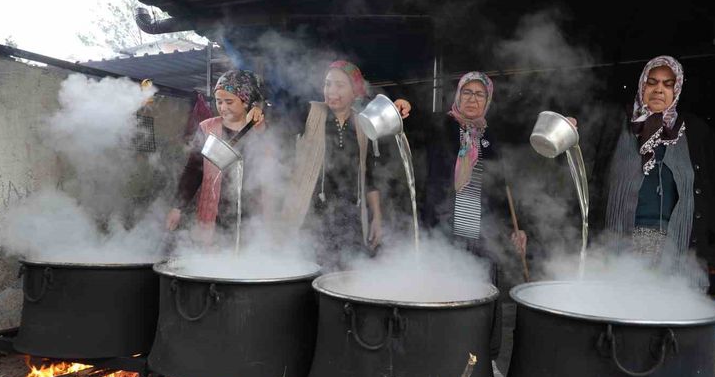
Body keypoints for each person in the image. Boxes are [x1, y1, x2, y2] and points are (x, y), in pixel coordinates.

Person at [418, 71, 527, 360]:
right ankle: (441, 354)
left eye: (479, 94)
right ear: (457, 95)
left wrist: (518, 227)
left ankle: (481, 358)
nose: (472, 99)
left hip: (483, 232)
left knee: (482, 295)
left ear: (487, 100)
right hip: (445, 229)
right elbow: (430, 171)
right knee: (446, 292)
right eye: (467, 92)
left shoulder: (491, 138)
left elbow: (503, 190)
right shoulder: (440, 127)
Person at [590, 55, 715, 285]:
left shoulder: (695, 132)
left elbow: (713, 187)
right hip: (618, 244)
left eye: (668, 84)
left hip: (675, 247)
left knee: (668, 312)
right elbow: (586, 166)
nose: (659, 90)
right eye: (652, 82)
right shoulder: (614, 125)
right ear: (642, 85)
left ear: (677, 89)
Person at [282, 60, 411, 268]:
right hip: (310, 218)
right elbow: (277, 128)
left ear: (355, 92)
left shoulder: (362, 123)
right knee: (307, 280)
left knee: (345, 280)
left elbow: (368, 176)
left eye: (340, 85)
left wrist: (376, 217)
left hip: (350, 219)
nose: (331, 91)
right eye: (327, 84)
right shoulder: (308, 112)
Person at [165, 70, 267, 246]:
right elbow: (194, 170)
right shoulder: (207, 128)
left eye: (229, 101)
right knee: (214, 261)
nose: (223, 107)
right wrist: (177, 207)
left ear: (246, 102)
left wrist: (261, 116)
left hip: (251, 213)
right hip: (214, 211)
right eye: (219, 101)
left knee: (248, 259)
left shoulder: (259, 127)